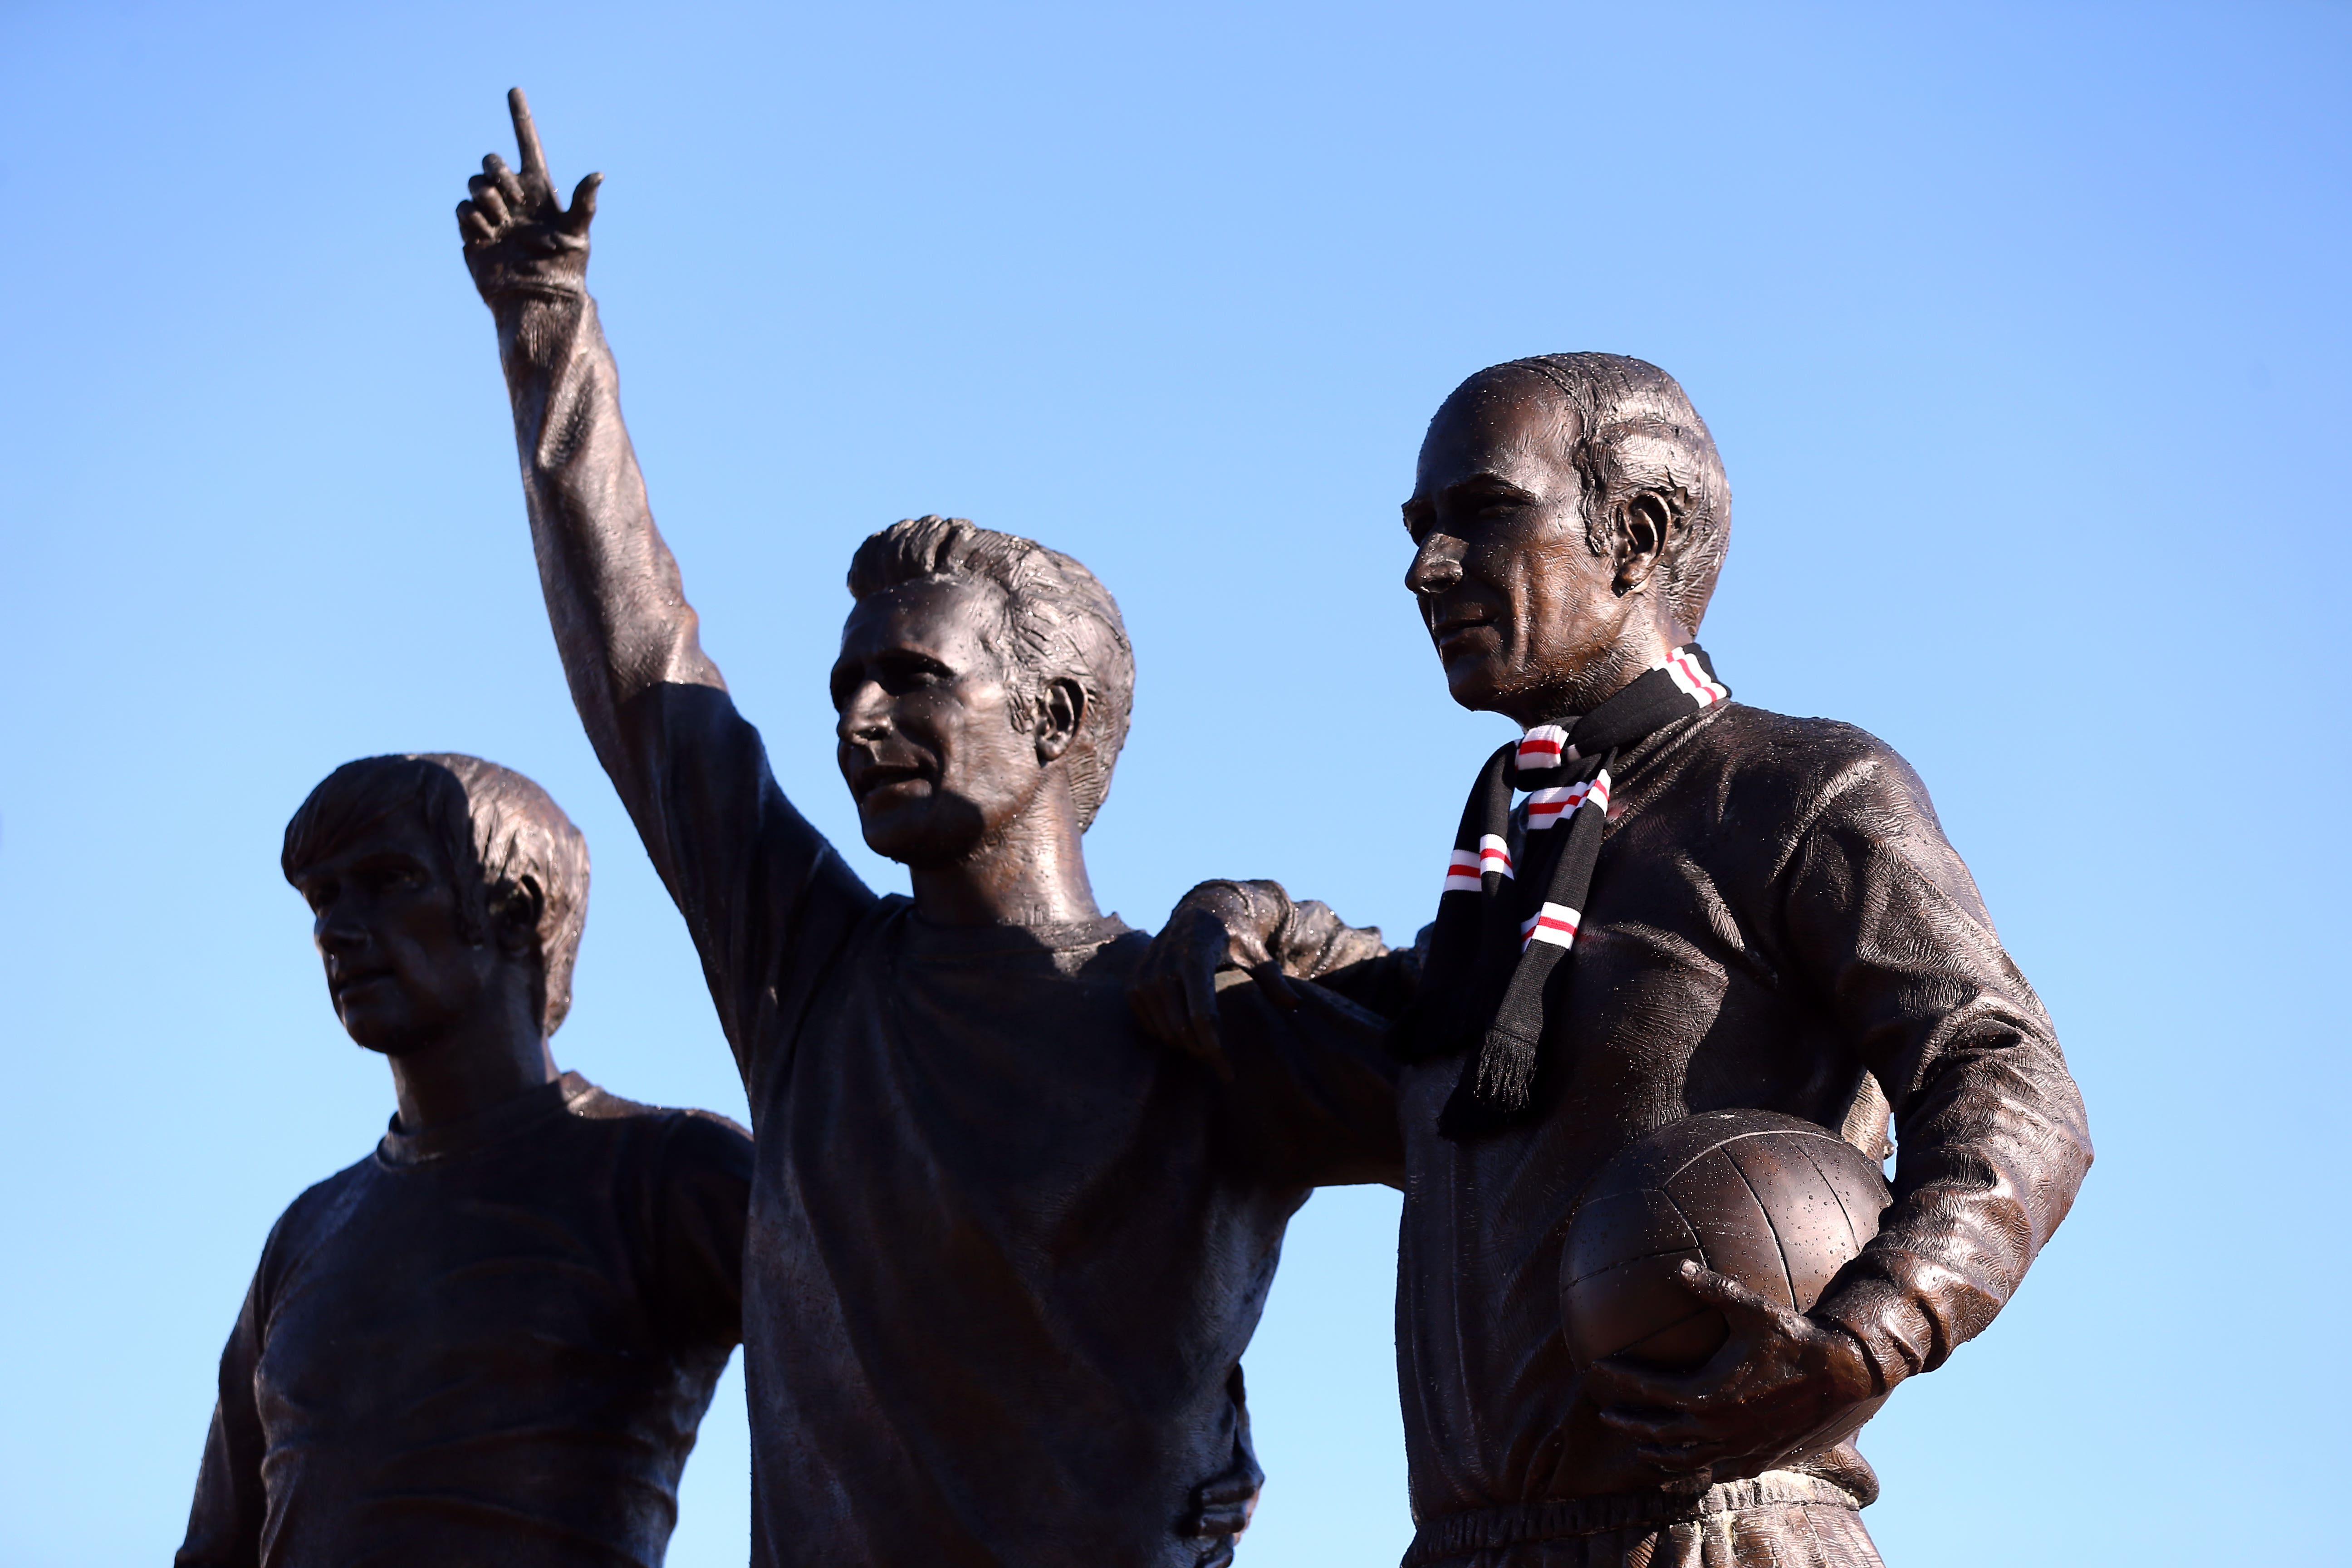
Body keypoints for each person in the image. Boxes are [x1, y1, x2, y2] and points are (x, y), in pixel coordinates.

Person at [454, 91, 1402, 1568]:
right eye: (843, 685)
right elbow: (647, 674)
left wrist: (1272, 917)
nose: (858, 718)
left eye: (914, 678)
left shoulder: (1200, 1007)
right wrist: (544, 334)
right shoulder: (811, 973)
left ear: (1054, 713)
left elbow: (1484, 1068)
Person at [1131, 353, 2093, 1567]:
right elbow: (1404, 1013)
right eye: (1420, 531)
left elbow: (2013, 1082)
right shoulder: (1506, 872)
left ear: (1634, 533)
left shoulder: (1802, 794)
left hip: (1719, 1538)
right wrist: (1250, 916)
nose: (1427, 570)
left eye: (1480, 514)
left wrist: (1873, 1330)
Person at [176, 754, 753, 1568]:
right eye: (323, 898)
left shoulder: (668, 1175)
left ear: (515, 911)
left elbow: (891, 1398)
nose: (336, 931)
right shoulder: (308, 1233)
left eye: (388, 880)